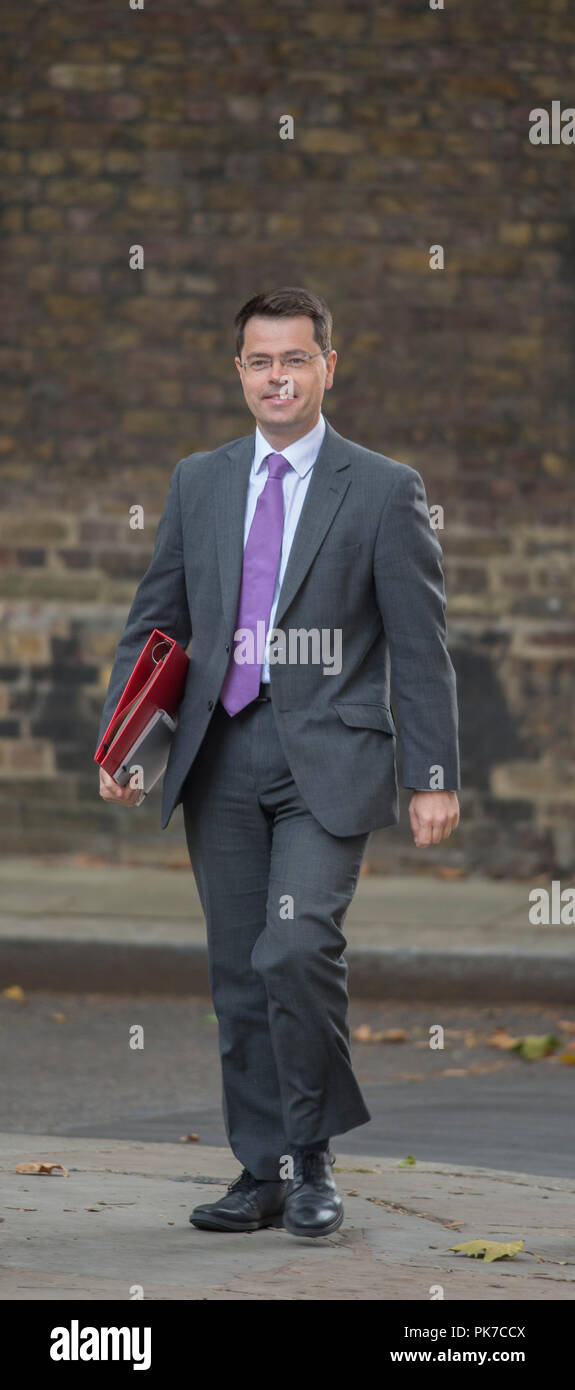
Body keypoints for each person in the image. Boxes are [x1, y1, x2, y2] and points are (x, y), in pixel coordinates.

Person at [97, 286, 460, 1239]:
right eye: (259, 362)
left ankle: (312, 1159)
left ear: (326, 368)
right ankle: (260, 1172)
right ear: (240, 373)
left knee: (294, 951)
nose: (277, 378)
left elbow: (420, 648)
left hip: (327, 761)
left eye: (294, 360)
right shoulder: (199, 480)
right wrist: (128, 740)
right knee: (237, 972)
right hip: (218, 754)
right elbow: (157, 627)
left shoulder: (382, 487)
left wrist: (433, 774)